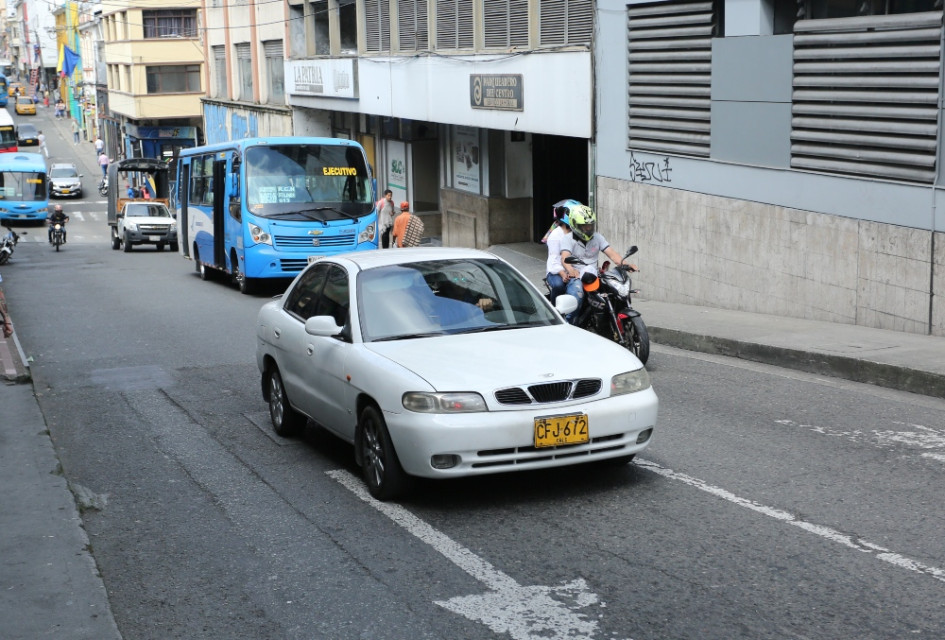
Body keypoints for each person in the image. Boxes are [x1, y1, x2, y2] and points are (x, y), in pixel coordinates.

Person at [560, 205, 637, 324]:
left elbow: (612, 254)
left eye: (590, 225)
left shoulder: (597, 237)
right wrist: (570, 269)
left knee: (614, 291)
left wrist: (625, 264)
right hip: (577, 276)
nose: (588, 228)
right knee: (577, 295)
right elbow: (564, 257)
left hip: (593, 275)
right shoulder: (568, 239)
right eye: (584, 226)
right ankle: (570, 324)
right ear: (575, 224)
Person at [545, 210, 575, 304]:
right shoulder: (555, 236)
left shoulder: (575, 233)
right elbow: (554, 260)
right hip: (556, 271)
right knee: (559, 286)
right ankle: (554, 310)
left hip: (572, 269)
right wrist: (563, 274)